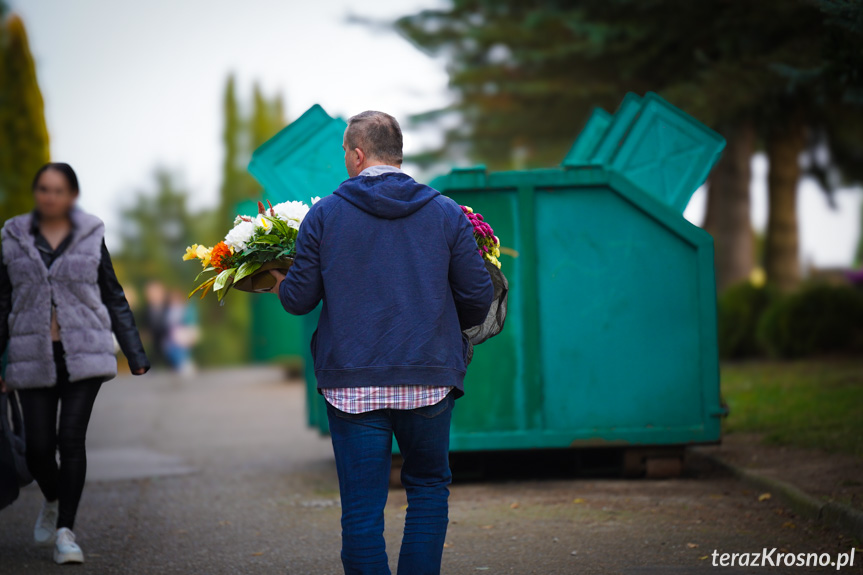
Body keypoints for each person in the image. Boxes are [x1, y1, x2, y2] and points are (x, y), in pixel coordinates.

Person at [269, 111, 493, 575]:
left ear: (356, 153)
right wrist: (447, 332)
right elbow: (478, 296)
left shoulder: (325, 215)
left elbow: (299, 300)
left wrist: (276, 282)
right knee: (428, 489)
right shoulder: (447, 212)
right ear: (398, 154)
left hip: (352, 386)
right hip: (429, 378)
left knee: (362, 508)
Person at [0, 163, 150, 564]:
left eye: (59, 190)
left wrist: (134, 354)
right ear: (36, 193)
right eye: (44, 189)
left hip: (85, 351)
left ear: (72, 196)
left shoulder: (90, 234)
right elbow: (2, 302)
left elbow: (112, 293)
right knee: (36, 448)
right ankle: (52, 498)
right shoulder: (12, 236)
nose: (50, 197)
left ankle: (67, 530)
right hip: (31, 355)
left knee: (71, 441)